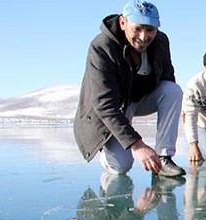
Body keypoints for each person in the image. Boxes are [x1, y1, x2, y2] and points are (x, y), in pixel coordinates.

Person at [73, 1, 185, 177]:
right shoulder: (102, 47)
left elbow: (167, 78)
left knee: (172, 90)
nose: (144, 36)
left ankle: (164, 158)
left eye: (150, 30)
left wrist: (174, 109)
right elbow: (104, 105)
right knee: (121, 167)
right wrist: (138, 145)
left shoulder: (161, 41)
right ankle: (107, 149)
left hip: (138, 100)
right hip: (111, 110)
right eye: (138, 28)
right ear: (122, 23)